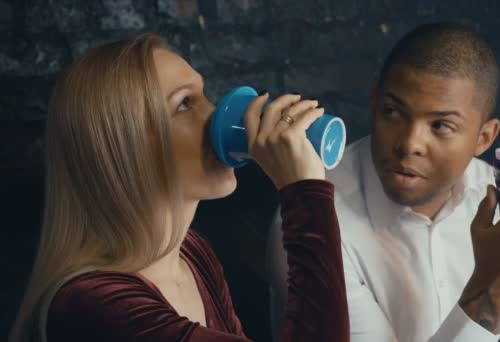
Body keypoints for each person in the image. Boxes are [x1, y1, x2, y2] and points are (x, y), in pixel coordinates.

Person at [10, 33, 349, 342]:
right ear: (125, 151)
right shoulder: (93, 305)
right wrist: (305, 192)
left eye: (205, 97)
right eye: (185, 104)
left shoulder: (192, 254)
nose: (215, 116)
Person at [268, 22, 500, 341]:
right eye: (393, 112)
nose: (409, 143)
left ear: (484, 138)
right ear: (374, 104)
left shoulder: (496, 195)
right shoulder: (313, 221)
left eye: (441, 125)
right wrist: (491, 294)